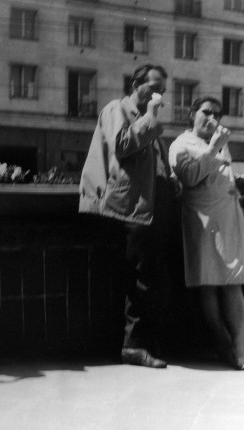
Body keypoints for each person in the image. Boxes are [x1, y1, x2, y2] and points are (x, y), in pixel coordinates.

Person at [79, 64, 176, 368]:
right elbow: (122, 145)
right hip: (129, 208)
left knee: (150, 276)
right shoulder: (116, 109)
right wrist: (151, 116)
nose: (159, 95)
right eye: (154, 87)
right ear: (136, 84)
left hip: (148, 207)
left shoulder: (146, 117)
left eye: (163, 90)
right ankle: (133, 346)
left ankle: (144, 343)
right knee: (139, 279)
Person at [168, 96, 244, 370]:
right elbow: (190, 177)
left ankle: (239, 349)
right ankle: (222, 341)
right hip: (203, 220)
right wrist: (214, 146)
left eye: (217, 114)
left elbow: (219, 175)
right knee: (208, 284)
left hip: (229, 218)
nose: (213, 118)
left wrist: (242, 182)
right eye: (207, 112)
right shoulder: (180, 144)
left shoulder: (219, 142)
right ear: (192, 114)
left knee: (234, 281)